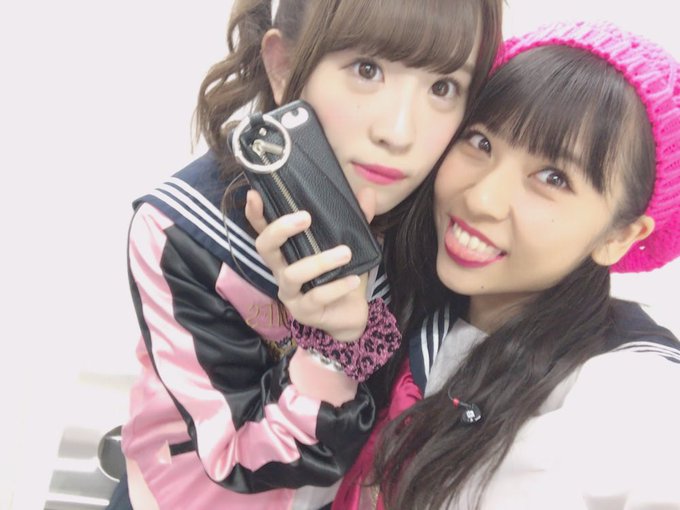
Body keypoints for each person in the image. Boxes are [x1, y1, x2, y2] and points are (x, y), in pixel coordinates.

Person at [112, 1, 503, 509]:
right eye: (367, 70)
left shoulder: (431, 222)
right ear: (283, 65)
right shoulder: (187, 232)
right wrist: (330, 346)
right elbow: (237, 460)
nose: (399, 132)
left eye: (443, 87)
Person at [318, 20, 680, 509]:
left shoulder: (629, 396)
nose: (481, 199)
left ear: (619, 236)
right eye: (481, 143)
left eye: (553, 178)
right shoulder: (408, 303)